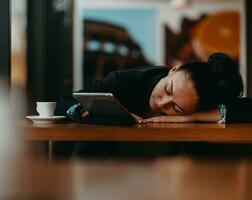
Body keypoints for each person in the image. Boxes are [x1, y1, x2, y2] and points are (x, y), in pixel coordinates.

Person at [53, 52, 252, 158]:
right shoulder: (124, 82)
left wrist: (192, 117)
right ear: (174, 69)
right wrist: (90, 111)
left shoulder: (198, 105)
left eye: (176, 108)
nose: (161, 103)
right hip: (103, 169)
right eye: (168, 90)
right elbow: (64, 103)